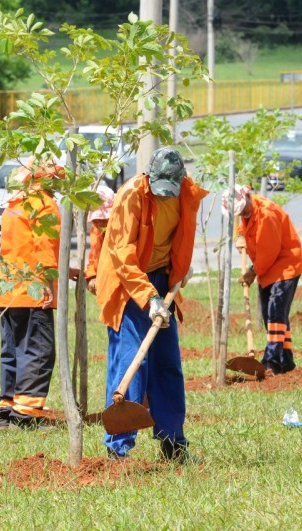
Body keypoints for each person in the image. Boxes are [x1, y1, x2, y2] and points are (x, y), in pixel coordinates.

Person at [95, 147, 207, 463]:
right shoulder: (130, 195)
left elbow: (180, 237)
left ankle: (173, 443)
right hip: (127, 281)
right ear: (148, 176)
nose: (165, 197)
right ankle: (117, 449)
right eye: (160, 190)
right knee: (131, 358)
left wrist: (179, 271)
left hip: (161, 278)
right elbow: (122, 253)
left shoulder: (186, 193)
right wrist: (148, 298)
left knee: (166, 362)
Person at [0, 157, 77, 429]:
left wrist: (66, 270)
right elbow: (46, 249)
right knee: (38, 351)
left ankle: (5, 411)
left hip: (8, 290)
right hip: (33, 291)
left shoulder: (14, 205)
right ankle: (27, 415)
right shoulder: (44, 203)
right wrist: (50, 288)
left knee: (13, 351)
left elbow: (21, 249)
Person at [222, 184, 302, 376]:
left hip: (285, 265)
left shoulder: (266, 213)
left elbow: (269, 252)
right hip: (268, 269)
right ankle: (286, 361)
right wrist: (241, 236)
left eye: (244, 209)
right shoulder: (249, 212)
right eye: (239, 212)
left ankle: (271, 362)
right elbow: (246, 226)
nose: (243, 213)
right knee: (275, 317)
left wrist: (252, 272)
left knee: (275, 313)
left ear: (248, 197)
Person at [84, 184, 115, 294]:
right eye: (96, 219)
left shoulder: (121, 230)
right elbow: (94, 256)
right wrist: (92, 275)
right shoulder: (96, 229)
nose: (99, 222)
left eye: (103, 219)